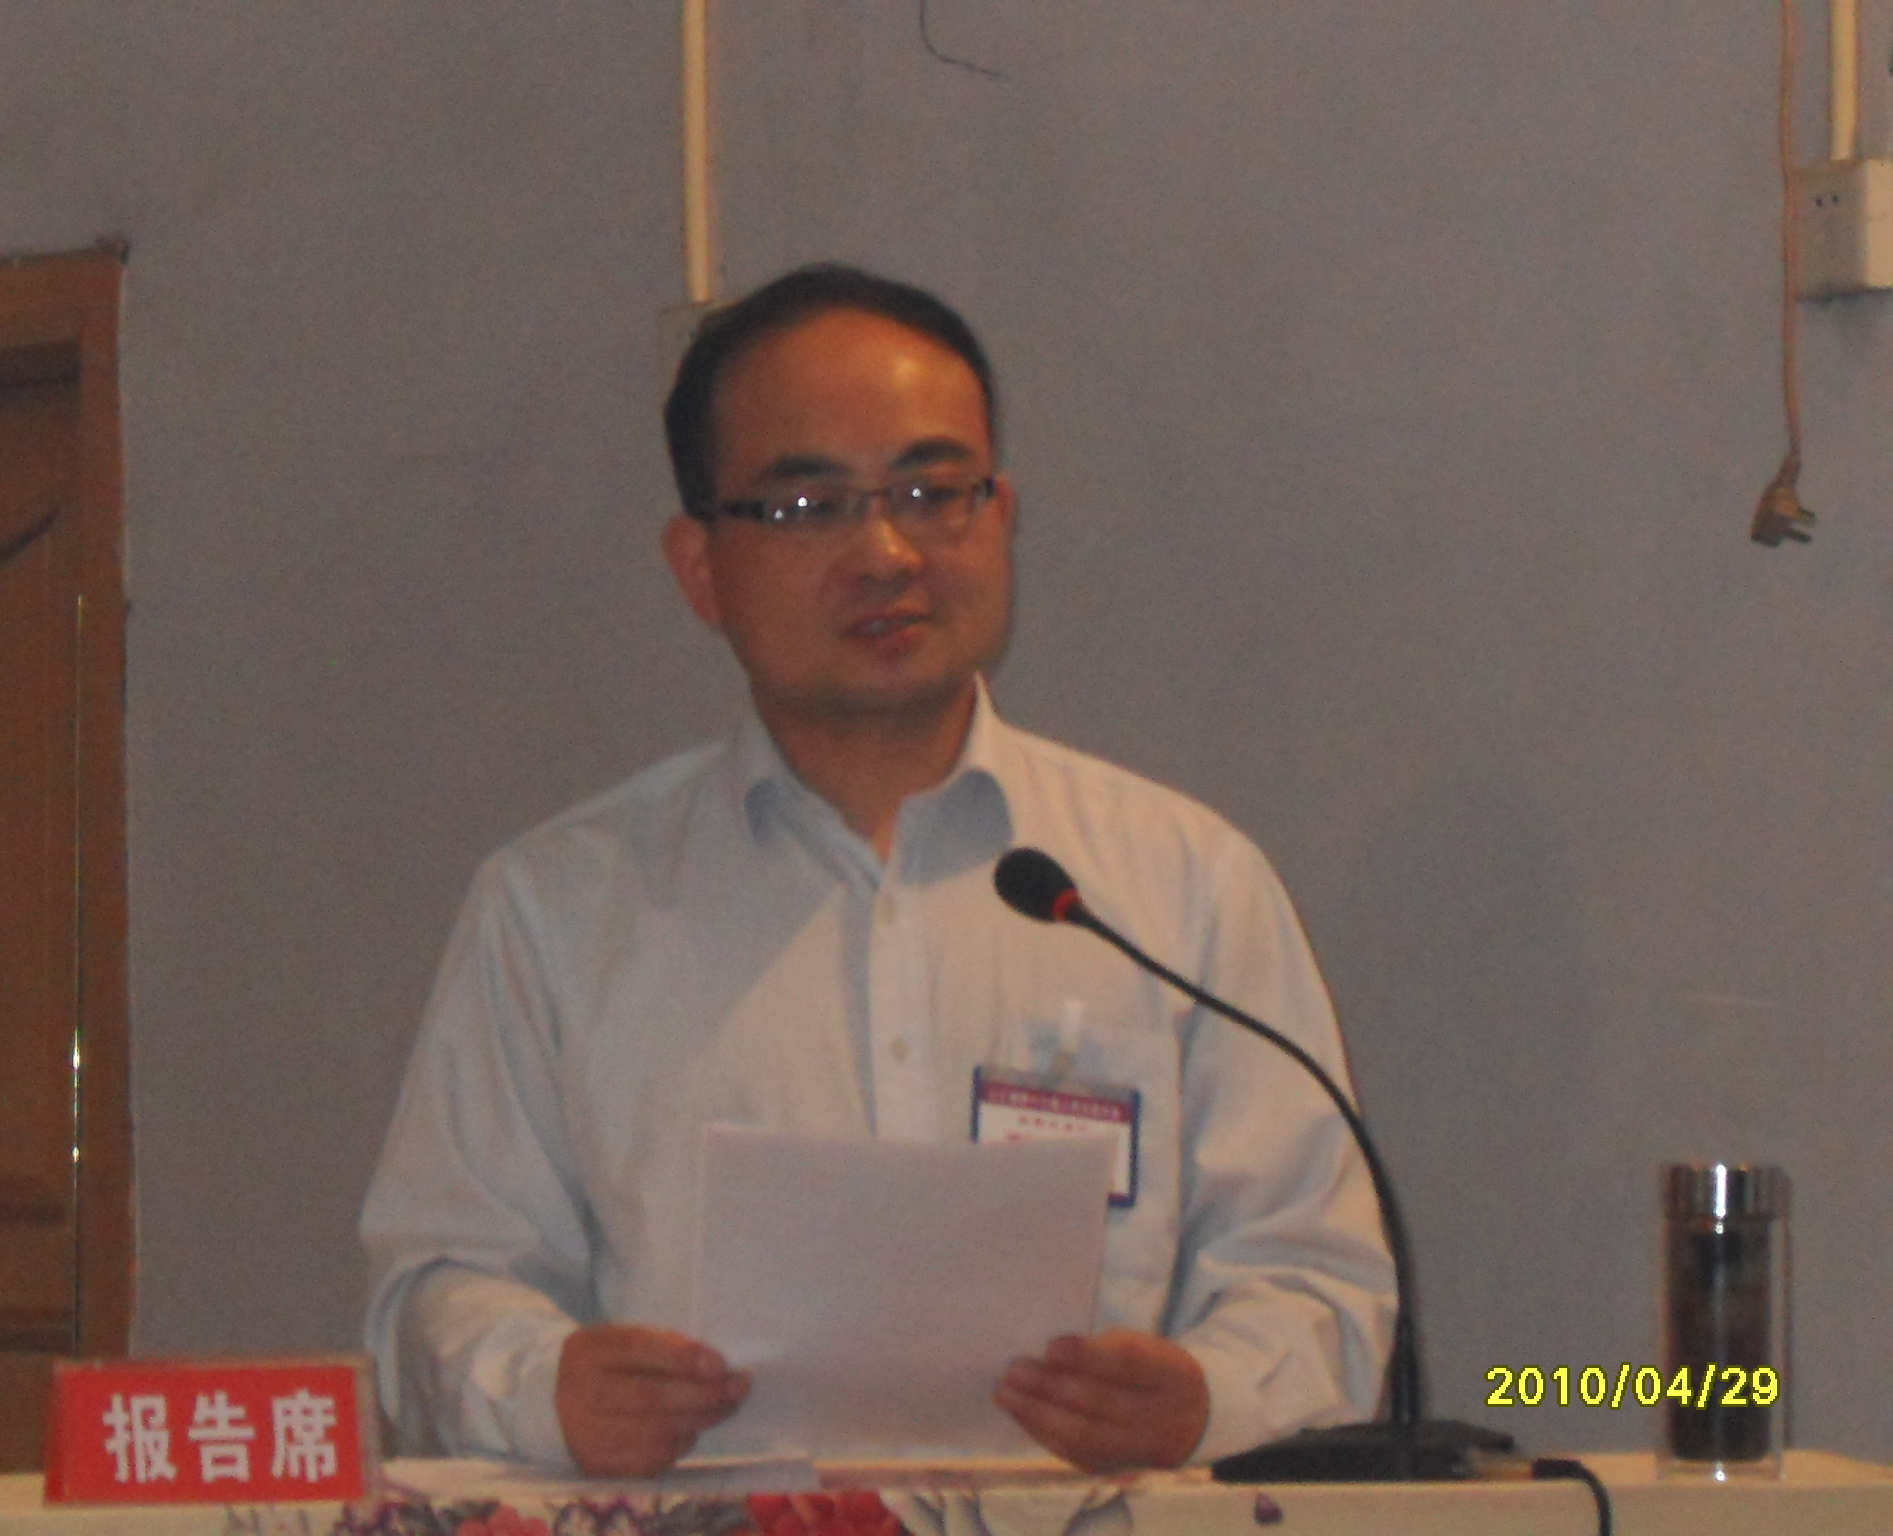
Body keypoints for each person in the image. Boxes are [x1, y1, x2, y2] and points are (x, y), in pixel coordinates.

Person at [360, 264, 1393, 1477]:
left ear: (1000, 516)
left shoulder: (1180, 887)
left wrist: (1204, 1400)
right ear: (699, 568)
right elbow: (437, 1287)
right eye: (809, 507)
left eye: (932, 492)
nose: (887, 551)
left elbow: (1316, 1283)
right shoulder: (559, 912)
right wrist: (547, 1388)